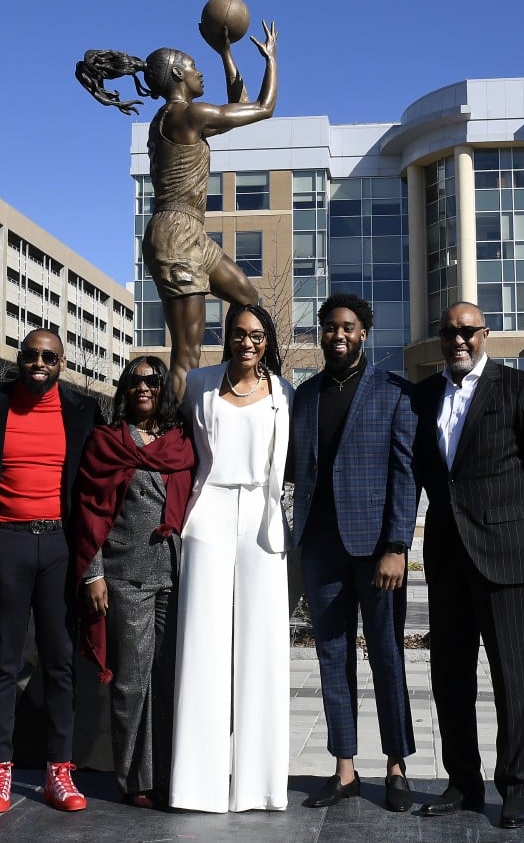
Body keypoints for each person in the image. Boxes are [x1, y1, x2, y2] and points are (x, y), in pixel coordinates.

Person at [412, 301, 524, 830]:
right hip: (446, 557)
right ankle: (463, 781)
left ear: (485, 334)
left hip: (503, 554)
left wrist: (514, 523)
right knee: (449, 674)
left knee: (513, 676)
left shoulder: (518, 388)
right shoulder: (427, 394)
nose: (457, 340)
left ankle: (517, 786)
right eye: (448, 332)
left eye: (467, 331)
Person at [76, 19, 278, 398]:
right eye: (195, 67)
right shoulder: (187, 115)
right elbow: (262, 108)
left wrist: (225, 52)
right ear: (177, 74)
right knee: (187, 355)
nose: (200, 74)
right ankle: (181, 436)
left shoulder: (179, 118)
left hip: (191, 234)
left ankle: (234, 382)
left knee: (249, 300)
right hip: (176, 234)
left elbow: (237, 106)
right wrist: (270, 59)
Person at [289, 293, 418, 813]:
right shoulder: (305, 396)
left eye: (347, 327)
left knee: (386, 655)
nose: (336, 335)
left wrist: (397, 545)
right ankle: (344, 768)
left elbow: (405, 476)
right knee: (331, 657)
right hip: (320, 548)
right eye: (328, 327)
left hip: (376, 551)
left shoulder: (393, 393)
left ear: (364, 332)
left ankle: (396, 765)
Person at [0, 329, 103, 814]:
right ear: (19, 359)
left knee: (60, 662)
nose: (39, 362)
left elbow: (96, 483)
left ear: (62, 363)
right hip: (4, 540)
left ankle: (58, 772)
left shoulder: (83, 410)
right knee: (4, 661)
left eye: (48, 356)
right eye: (30, 355)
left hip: (60, 545)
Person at [170, 303, 294, 813]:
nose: (248, 342)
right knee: (201, 643)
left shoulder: (284, 394)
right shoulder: (199, 382)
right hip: (209, 512)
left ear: (268, 341)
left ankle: (260, 786)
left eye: (258, 335)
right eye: (240, 334)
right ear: (228, 336)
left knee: (263, 648)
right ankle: (195, 785)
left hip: (262, 519)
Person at [71, 357, 195, 808]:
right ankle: (135, 779)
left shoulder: (180, 442)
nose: (144, 387)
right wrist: (94, 573)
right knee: (132, 680)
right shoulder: (106, 442)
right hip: (124, 574)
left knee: (168, 676)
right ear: (124, 389)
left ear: (163, 389)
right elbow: (89, 510)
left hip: (176, 573)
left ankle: (169, 772)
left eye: (152, 380)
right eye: (135, 380)